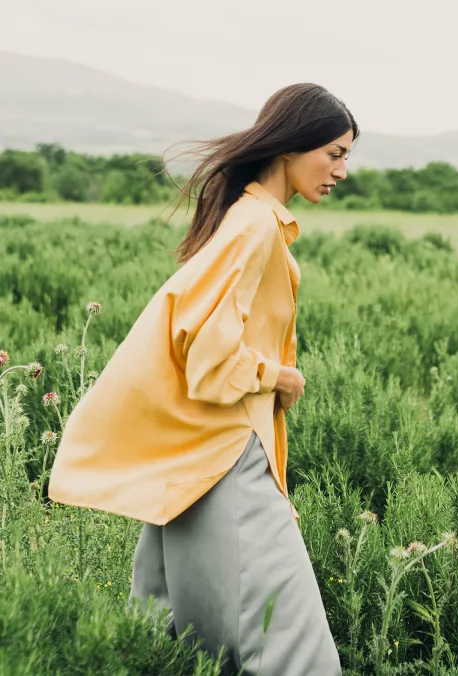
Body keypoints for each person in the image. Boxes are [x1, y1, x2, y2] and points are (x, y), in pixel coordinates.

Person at [48, 82, 358, 675]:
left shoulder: (247, 217)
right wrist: (279, 377)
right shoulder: (255, 224)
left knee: (173, 646)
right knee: (298, 657)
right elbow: (209, 356)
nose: (342, 170)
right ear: (291, 146)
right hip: (226, 458)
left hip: (198, 460)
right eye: (335, 153)